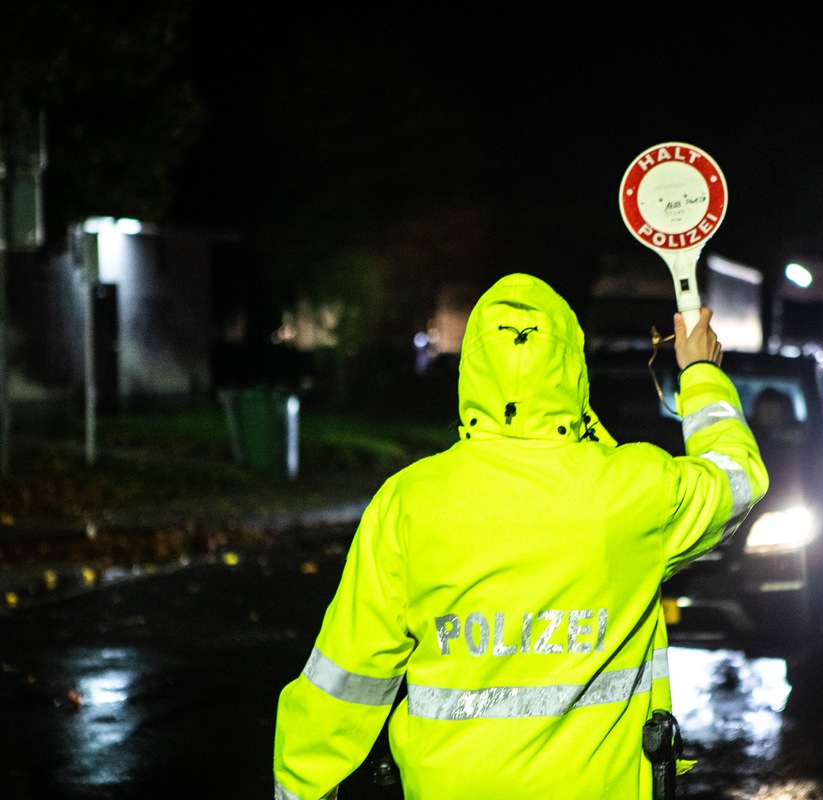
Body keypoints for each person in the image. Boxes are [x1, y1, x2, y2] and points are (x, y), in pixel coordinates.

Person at [273, 273, 768, 799]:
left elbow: (345, 674)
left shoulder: (409, 502)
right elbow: (738, 477)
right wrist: (699, 373)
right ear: (573, 372)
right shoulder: (630, 491)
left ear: (472, 371)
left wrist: (299, 789)